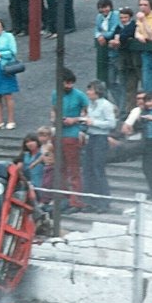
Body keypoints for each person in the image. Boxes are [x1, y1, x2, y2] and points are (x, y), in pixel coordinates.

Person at [51, 68, 89, 213]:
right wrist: (54, 119)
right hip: (58, 134)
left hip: (72, 135)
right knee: (59, 168)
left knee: (74, 169)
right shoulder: (55, 94)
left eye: (71, 83)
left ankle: (76, 200)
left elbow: (88, 115)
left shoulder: (80, 95)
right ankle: (63, 199)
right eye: (66, 83)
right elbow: (53, 110)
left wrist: (75, 120)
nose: (69, 86)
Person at [81, 80, 116, 213]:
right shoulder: (90, 105)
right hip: (91, 137)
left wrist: (94, 122)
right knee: (88, 169)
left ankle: (104, 202)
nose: (88, 92)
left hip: (100, 138)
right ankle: (90, 201)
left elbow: (111, 123)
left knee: (98, 169)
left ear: (97, 91)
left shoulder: (106, 105)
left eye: (90, 90)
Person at [112, 7, 141, 114]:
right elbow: (115, 35)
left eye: (125, 17)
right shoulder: (119, 27)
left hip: (135, 60)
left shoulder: (132, 25)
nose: (123, 19)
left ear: (130, 17)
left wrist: (118, 38)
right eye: (121, 17)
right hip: (126, 62)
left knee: (139, 84)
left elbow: (125, 35)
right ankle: (129, 110)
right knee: (129, 86)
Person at [95, 0, 123, 109]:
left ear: (110, 6)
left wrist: (102, 35)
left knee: (121, 81)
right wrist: (99, 35)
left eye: (106, 7)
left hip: (118, 54)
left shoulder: (116, 15)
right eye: (102, 8)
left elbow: (113, 31)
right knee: (109, 82)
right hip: (107, 55)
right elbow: (96, 30)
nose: (104, 10)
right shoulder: (99, 17)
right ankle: (119, 105)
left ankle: (124, 105)